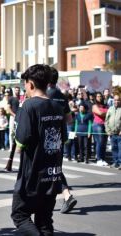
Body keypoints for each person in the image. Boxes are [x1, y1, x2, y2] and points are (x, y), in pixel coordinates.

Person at [11, 64, 67, 235]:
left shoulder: (28, 106)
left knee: (20, 215)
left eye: (25, 84)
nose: (25, 88)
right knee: (44, 221)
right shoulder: (58, 107)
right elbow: (63, 138)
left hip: (33, 175)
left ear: (31, 84)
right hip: (53, 173)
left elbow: (21, 143)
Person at [47, 67, 77, 214]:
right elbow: (69, 119)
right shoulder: (62, 96)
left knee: (48, 168)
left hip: (46, 137)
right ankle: (66, 195)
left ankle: (66, 195)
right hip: (60, 136)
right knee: (55, 167)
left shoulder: (45, 94)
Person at [92, 92, 108, 166]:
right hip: (97, 125)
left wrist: (105, 113)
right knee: (99, 142)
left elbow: (105, 113)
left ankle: (103, 159)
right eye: (98, 96)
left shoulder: (105, 106)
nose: (99, 97)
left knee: (104, 143)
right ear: (95, 97)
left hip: (105, 125)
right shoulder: (94, 106)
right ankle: (99, 159)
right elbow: (100, 113)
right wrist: (107, 113)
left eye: (100, 96)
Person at [105, 94, 121, 169]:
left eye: (118, 100)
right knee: (114, 148)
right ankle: (115, 162)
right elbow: (106, 121)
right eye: (115, 100)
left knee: (120, 149)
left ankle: (120, 163)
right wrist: (107, 131)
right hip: (112, 133)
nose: (116, 101)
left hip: (119, 133)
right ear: (113, 100)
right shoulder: (110, 109)